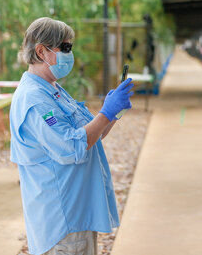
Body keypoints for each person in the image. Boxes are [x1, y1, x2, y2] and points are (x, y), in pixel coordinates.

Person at [10, 17, 134, 255]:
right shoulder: (34, 99)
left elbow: (91, 136)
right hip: (62, 221)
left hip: (77, 214)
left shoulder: (53, 89)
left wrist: (113, 113)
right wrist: (106, 112)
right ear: (41, 51)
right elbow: (70, 147)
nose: (70, 54)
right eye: (65, 48)